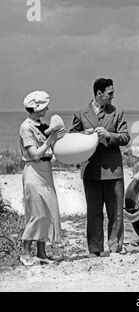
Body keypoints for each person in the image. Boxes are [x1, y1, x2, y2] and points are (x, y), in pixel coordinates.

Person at [70, 78, 130, 257]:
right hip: (91, 170)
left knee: (116, 212)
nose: (113, 96)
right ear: (98, 94)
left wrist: (109, 135)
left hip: (113, 170)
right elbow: (72, 137)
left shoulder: (117, 112)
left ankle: (116, 247)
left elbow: (126, 137)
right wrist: (83, 135)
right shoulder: (81, 113)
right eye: (110, 93)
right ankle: (95, 248)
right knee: (93, 212)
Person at [19, 90, 66, 266]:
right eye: (45, 107)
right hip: (34, 171)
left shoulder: (41, 126)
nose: (47, 109)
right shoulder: (26, 127)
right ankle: (25, 252)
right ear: (37, 107)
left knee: (47, 211)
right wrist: (50, 139)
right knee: (37, 213)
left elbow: (51, 145)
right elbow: (35, 153)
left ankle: (41, 253)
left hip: (46, 170)